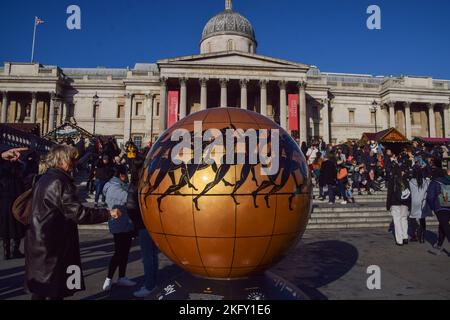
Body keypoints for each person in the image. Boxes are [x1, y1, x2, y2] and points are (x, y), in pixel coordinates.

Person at [25, 145, 121, 300]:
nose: (75, 162)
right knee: (56, 288)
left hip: (38, 238)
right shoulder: (60, 181)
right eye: (71, 159)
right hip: (54, 242)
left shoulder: (45, 178)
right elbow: (78, 213)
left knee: (41, 288)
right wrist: (108, 213)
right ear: (62, 160)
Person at [127, 155, 159, 298]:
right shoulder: (146, 181)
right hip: (151, 222)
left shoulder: (136, 184)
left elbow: (132, 207)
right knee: (152, 255)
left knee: (148, 256)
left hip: (143, 224)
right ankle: (152, 282)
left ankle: (149, 284)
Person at [102, 165, 136, 291]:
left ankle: (122, 277)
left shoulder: (118, 185)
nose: (127, 176)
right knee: (119, 252)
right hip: (119, 224)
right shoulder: (114, 187)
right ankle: (108, 278)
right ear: (121, 175)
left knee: (125, 251)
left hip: (125, 223)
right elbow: (129, 198)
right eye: (125, 174)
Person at [0, 160, 26, 260]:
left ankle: (6, 252)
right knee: (17, 229)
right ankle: (15, 250)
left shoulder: (3, 179)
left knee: (5, 229)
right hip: (16, 206)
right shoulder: (18, 180)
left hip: (4, 206)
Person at [426, 165, 450, 255]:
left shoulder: (435, 182)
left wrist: (433, 207)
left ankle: (439, 244)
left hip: (441, 207)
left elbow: (430, 196)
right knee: (442, 225)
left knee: (445, 226)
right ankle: (439, 244)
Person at [386, 164, 412, 246]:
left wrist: (388, 204)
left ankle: (399, 240)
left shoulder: (392, 180)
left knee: (397, 221)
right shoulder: (405, 179)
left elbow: (389, 193)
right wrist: (409, 204)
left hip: (395, 203)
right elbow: (409, 192)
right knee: (404, 220)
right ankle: (405, 237)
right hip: (405, 203)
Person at [409, 166, 432, 243]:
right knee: (422, 219)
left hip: (414, 202)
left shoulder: (411, 181)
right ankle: (422, 236)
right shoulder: (425, 181)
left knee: (412, 219)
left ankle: (414, 235)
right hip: (423, 202)